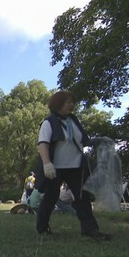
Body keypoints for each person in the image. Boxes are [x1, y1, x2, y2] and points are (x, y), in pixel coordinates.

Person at [34, 90, 110, 240]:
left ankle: (90, 230)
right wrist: (47, 163)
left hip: (76, 168)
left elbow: (83, 141)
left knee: (83, 198)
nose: (71, 105)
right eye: (68, 102)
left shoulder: (74, 121)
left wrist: (100, 140)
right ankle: (42, 228)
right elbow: (43, 145)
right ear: (58, 104)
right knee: (51, 197)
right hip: (55, 168)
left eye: (72, 102)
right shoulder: (48, 123)